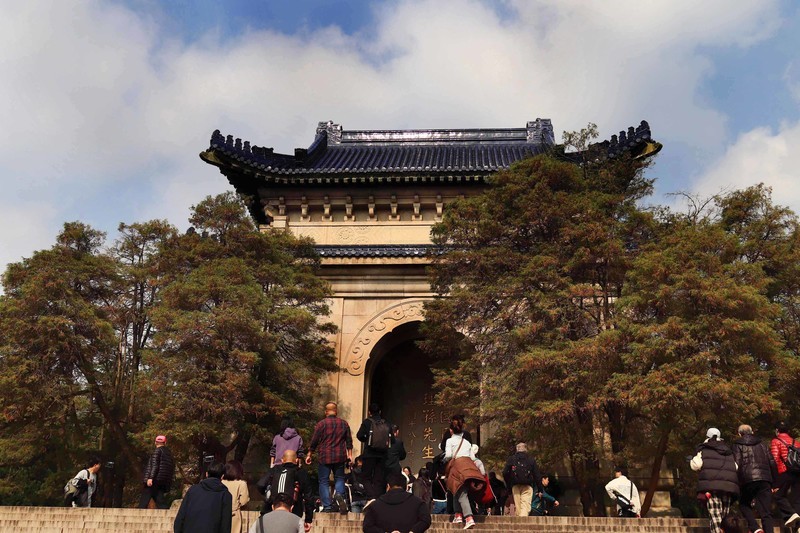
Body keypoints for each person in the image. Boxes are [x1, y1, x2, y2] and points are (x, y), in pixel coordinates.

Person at [306, 401, 353, 513]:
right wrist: (350, 455)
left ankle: (327, 506)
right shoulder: (344, 424)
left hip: (325, 456)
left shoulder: (321, 424)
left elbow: (314, 441)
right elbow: (349, 441)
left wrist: (309, 454)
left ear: (326, 412)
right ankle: (339, 497)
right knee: (339, 478)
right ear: (336, 411)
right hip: (340, 456)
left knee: (323, 481)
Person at [690, 428, 740, 533]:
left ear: (707, 437)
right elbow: (735, 467)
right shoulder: (727, 450)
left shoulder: (703, 449)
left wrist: (692, 460)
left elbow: (696, 465)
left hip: (711, 487)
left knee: (715, 517)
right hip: (728, 487)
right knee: (726, 519)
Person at [731, 424, 775, 533]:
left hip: (747, 480)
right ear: (752, 432)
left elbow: (736, 464)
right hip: (764, 479)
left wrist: (736, 482)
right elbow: (772, 462)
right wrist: (774, 482)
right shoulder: (762, 444)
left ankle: (755, 528)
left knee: (744, 504)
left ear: (739, 434)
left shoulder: (737, 445)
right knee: (766, 511)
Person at [444, 416, 483, 529]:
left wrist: (446, 459)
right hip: (467, 469)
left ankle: (469, 518)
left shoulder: (449, 441)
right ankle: (458, 515)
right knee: (456, 491)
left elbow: (448, 455)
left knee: (461, 494)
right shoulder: (466, 442)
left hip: (457, 468)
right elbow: (472, 457)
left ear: (451, 430)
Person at [362, 470, 432, 533]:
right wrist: (413, 531)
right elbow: (426, 520)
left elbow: (367, 526)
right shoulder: (418, 502)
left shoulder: (375, 504)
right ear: (406, 487)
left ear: (388, 486)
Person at [174, 462, 233, 533]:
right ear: (222, 476)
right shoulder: (225, 495)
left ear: (206, 474)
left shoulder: (193, 490)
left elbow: (181, 517)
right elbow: (225, 525)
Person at [261, 450, 315, 527]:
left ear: (282, 460)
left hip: (272, 511)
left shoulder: (274, 470)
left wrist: (267, 494)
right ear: (296, 460)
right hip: (294, 513)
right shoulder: (301, 472)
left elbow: (260, 485)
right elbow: (308, 496)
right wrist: (308, 519)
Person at [356, 402, 394, 500]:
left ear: (369, 412)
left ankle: (371, 496)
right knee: (379, 478)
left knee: (365, 477)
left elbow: (359, 435)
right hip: (383, 455)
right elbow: (392, 440)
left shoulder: (367, 422)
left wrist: (368, 440)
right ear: (380, 411)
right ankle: (377, 498)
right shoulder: (386, 423)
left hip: (369, 453)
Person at [771, 421, 800, 528]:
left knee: (778, 495)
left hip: (784, 472)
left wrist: (775, 480)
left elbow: (774, 459)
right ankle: (798, 526)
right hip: (798, 472)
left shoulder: (776, 441)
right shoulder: (796, 442)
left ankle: (790, 514)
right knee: (797, 500)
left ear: (777, 430)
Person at [502, 442, 543, 518]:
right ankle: (522, 522)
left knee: (518, 508)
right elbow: (537, 475)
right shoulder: (531, 460)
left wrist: (509, 485)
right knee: (525, 507)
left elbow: (505, 473)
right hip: (527, 486)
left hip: (515, 486)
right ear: (526, 449)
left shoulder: (511, 459)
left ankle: (519, 522)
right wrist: (540, 489)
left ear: (517, 449)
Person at [139, 435, 175, 509]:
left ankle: (138, 513)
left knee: (144, 499)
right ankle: (165, 511)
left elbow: (155, 465)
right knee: (159, 499)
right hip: (162, 480)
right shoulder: (169, 453)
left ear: (155, 442)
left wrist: (150, 478)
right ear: (165, 442)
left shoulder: (157, 451)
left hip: (154, 479)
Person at [222, 460, 251, 533]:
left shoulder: (220, 482)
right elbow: (244, 501)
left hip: (220, 513)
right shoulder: (241, 484)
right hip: (234, 514)